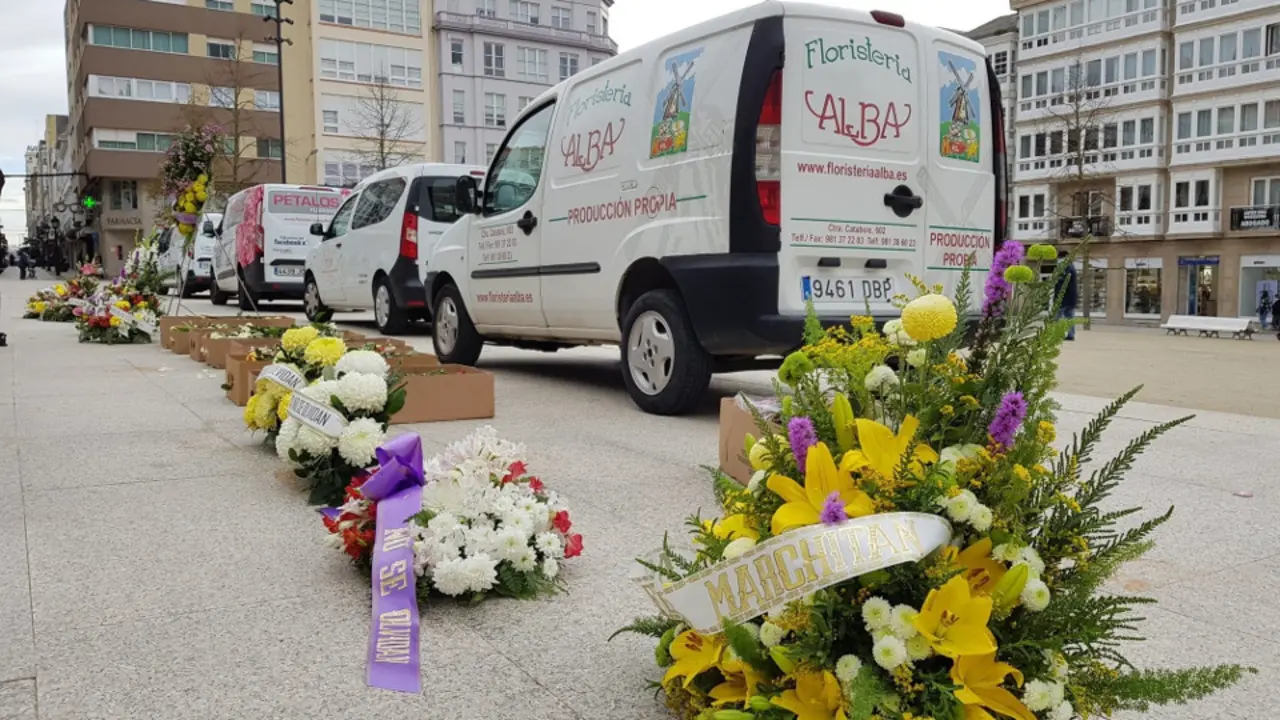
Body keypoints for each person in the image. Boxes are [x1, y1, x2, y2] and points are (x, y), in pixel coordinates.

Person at [1055, 250, 1079, 340]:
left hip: (1063, 298)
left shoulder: (1065, 266)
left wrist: (1054, 280)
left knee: (1057, 317)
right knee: (1069, 317)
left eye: (1059, 258)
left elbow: (1062, 282)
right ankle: (1071, 334)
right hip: (1070, 298)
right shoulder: (1071, 266)